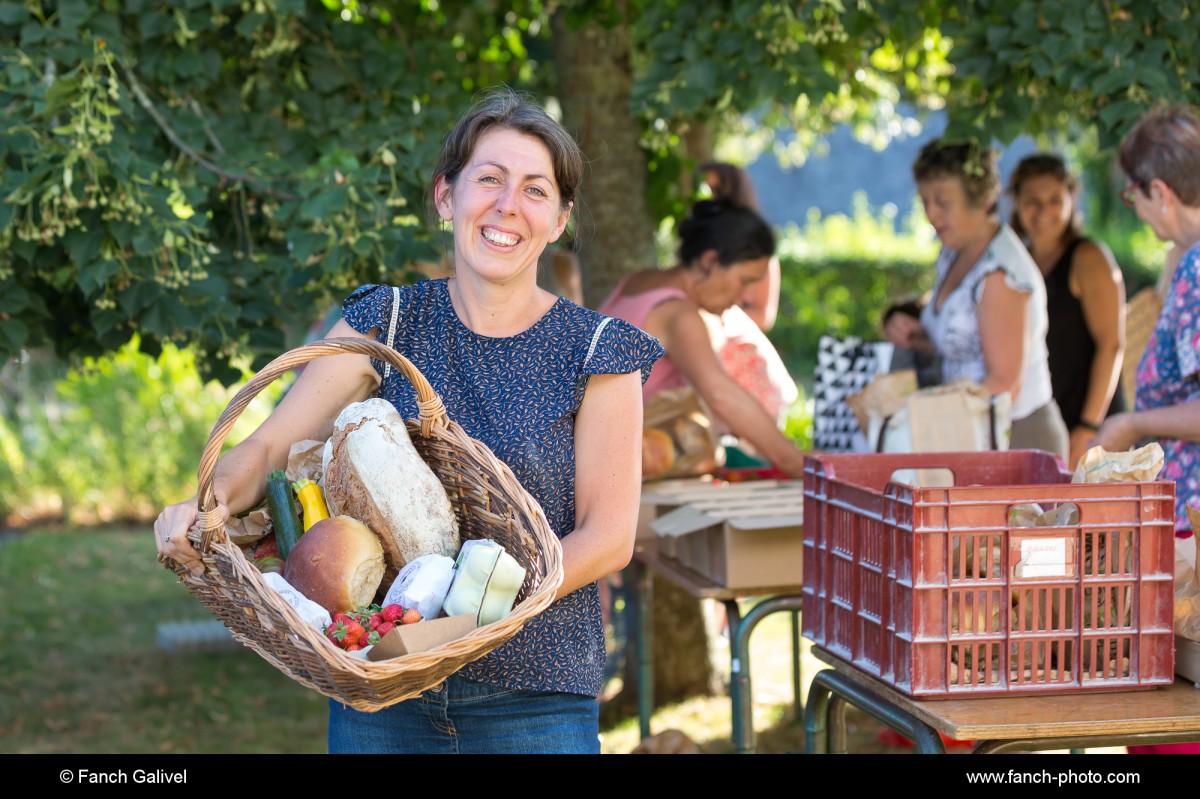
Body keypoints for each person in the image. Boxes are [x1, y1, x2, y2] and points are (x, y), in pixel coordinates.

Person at [154, 87, 663, 754]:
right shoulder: (388, 323)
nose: (508, 205)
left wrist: (468, 612)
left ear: (561, 218)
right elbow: (271, 444)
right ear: (446, 197)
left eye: (535, 190)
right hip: (385, 689)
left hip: (536, 700)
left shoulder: (599, 352)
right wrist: (202, 506)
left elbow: (608, 536)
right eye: (489, 179)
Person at [1092, 103, 1200, 757]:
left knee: (1173, 717)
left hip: (1190, 521)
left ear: (1159, 190)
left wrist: (1129, 422)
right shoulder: (1185, 261)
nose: (1133, 209)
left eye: (1133, 196)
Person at [882, 138, 1069, 459]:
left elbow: (1005, 384)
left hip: (1016, 440)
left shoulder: (1000, 273)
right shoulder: (955, 252)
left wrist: (920, 413)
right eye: (924, 200)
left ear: (982, 200)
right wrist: (918, 336)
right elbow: (967, 344)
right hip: (973, 434)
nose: (931, 213)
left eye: (943, 202)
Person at [597, 198, 806, 477]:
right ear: (710, 261)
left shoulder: (637, 281)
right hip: (617, 470)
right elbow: (721, 394)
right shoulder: (677, 313)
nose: (745, 297)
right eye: (744, 281)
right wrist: (799, 465)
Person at [1008, 153, 1127, 469]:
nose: (1043, 211)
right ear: (1016, 202)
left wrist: (1088, 427)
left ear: (1072, 199)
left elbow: (1111, 345)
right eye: (1032, 200)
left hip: (1089, 428)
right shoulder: (1014, 262)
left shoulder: (1089, 257)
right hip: (1037, 425)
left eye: (1054, 200)